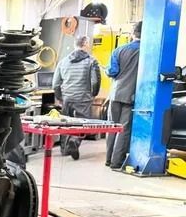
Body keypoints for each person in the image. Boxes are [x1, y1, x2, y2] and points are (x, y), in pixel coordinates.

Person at [52, 36, 101, 160]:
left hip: (67, 98)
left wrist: (60, 97)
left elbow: (56, 83)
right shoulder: (91, 61)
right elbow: (95, 81)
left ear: (75, 44)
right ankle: (74, 140)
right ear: (86, 44)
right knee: (82, 122)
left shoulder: (63, 61)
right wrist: (93, 94)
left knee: (65, 123)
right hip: (83, 97)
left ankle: (64, 149)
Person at [105, 22, 142, 170]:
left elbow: (111, 72)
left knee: (112, 126)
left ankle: (108, 159)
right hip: (131, 96)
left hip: (115, 93)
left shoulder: (119, 50)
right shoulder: (146, 52)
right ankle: (116, 162)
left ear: (133, 33)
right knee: (124, 129)